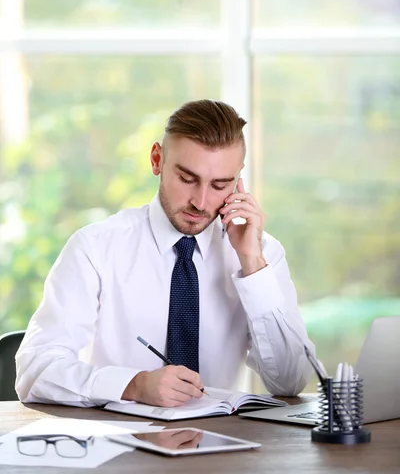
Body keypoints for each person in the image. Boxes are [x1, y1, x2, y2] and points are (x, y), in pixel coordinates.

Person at [16, 99, 314, 408]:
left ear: (238, 181)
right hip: (120, 444)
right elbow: (35, 369)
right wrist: (133, 385)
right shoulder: (96, 248)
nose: (200, 202)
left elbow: (290, 382)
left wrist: (252, 265)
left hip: (224, 445)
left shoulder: (261, 254)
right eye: (187, 179)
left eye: (220, 185)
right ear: (157, 159)